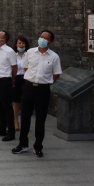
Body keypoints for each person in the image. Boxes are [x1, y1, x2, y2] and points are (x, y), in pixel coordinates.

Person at [12, 30, 62, 158]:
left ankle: (38, 146)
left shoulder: (54, 57)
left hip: (43, 89)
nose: (42, 39)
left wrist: (45, 81)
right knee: (25, 116)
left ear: (50, 42)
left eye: (46, 38)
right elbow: (26, 68)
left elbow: (56, 74)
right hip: (28, 87)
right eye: (41, 37)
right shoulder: (30, 52)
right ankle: (23, 144)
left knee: (40, 118)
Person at [12, 36, 30, 131]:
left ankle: (25, 122)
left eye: (23, 43)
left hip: (27, 79)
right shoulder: (13, 55)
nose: (21, 45)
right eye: (19, 43)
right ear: (16, 44)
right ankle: (15, 121)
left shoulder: (29, 54)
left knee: (26, 102)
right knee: (16, 102)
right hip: (17, 78)